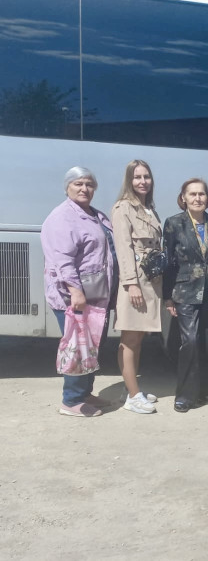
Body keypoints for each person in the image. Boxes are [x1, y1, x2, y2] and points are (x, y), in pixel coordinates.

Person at [42, 167, 116, 417]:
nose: (84, 189)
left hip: (95, 293)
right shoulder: (62, 217)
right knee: (77, 345)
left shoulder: (94, 214)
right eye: (78, 184)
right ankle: (71, 401)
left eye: (89, 184)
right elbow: (62, 260)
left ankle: (85, 393)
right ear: (67, 187)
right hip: (74, 297)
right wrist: (75, 291)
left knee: (92, 345)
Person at [163, 178, 208, 413]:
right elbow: (168, 261)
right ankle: (185, 395)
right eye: (193, 194)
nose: (198, 198)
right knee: (190, 342)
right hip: (185, 290)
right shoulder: (174, 223)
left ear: (207, 198)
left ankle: (205, 390)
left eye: (202, 194)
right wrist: (168, 296)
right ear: (184, 198)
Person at [111, 159, 162, 415]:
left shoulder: (149, 208)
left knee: (137, 339)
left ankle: (131, 388)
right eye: (137, 177)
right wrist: (131, 284)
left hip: (151, 282)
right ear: (129, 180)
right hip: (136, 282)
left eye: (146, 177)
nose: (143, 181)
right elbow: (124, 248)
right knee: (129, 340)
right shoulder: (123, 208)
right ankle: (132, 396)